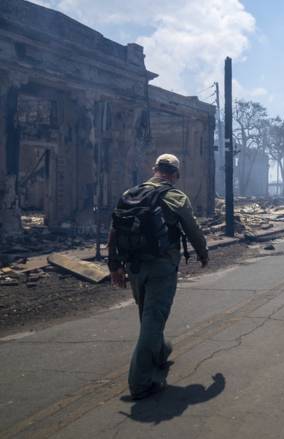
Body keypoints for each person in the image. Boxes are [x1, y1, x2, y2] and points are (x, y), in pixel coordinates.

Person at [108, 153, 209, 400]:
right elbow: (192, 230)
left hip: (134, 266)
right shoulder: (176, 196)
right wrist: (203, 253)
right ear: (175, 174)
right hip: (162, 266)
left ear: (154, 169)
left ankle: (160, 351)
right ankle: (141, 383)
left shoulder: (129, 194)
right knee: (154, 318)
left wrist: (114, 266)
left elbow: (114, 229)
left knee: (147, 315)